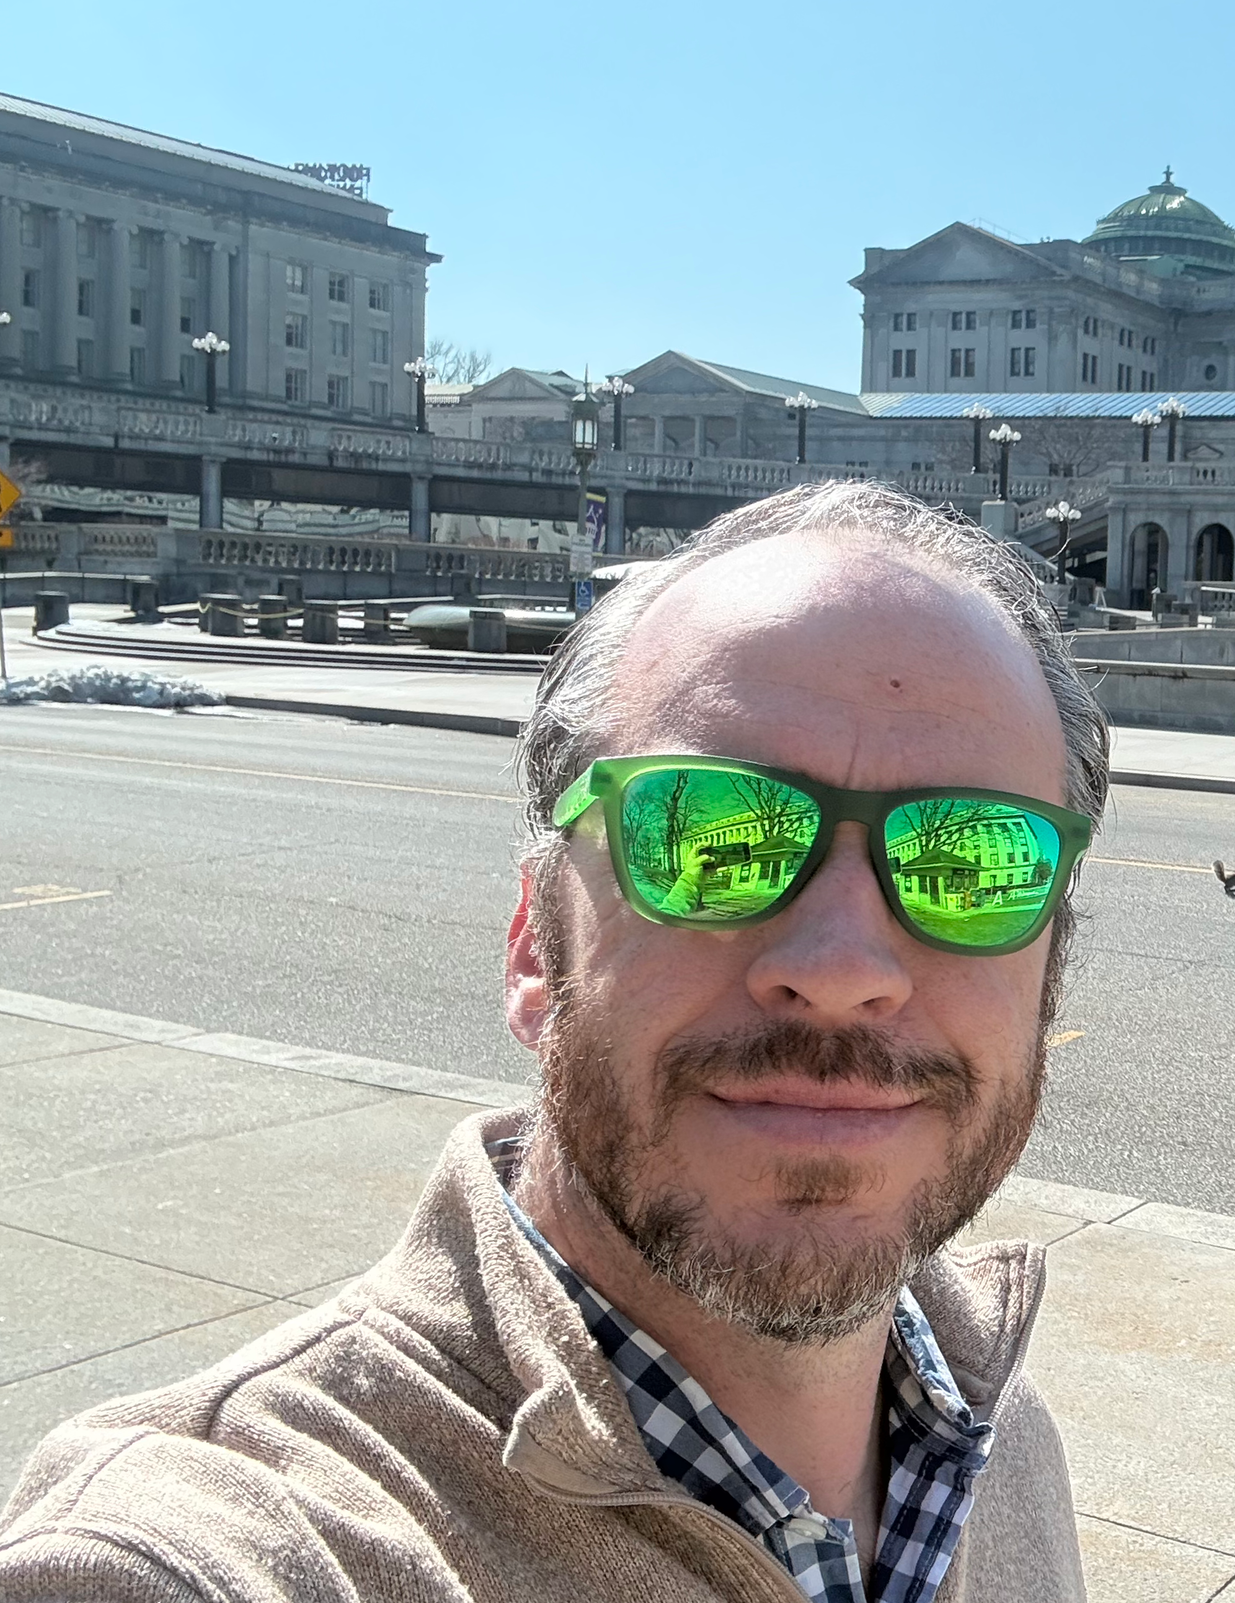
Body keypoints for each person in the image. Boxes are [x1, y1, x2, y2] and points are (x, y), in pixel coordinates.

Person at [0, 482, 1104, 1601]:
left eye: (973, 863)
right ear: (536, 946)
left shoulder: (1002, 1439)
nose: (839, 971)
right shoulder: (189, 1558)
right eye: (707, 835)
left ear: (1049, 974)